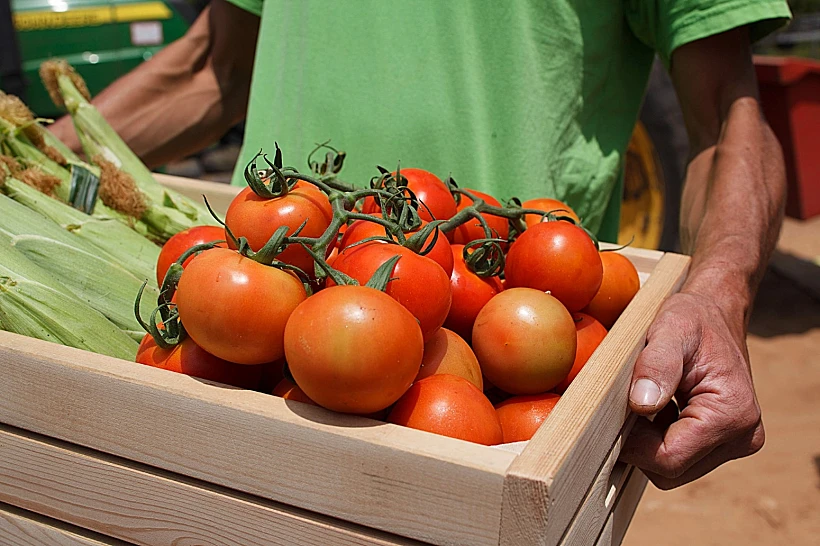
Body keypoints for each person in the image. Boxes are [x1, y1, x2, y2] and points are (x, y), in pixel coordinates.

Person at [51, 0, 791, 490]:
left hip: (492, 375)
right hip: (245, 374)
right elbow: (216, 64)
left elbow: (728, 114)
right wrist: (30, 150)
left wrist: (721, 296)